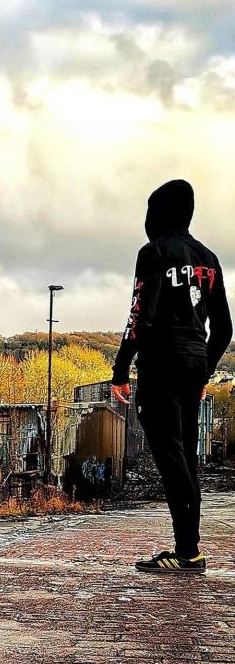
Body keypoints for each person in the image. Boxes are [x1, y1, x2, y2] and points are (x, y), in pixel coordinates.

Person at [111, 179, 232, 574]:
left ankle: (188, 551)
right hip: (195, 362)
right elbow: (225, 329)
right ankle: (189, 549)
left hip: (161, 364)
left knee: (171, 457)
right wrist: (204, 367)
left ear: (156, 213)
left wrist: (120, 370)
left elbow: (139, 319)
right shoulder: (209, 258)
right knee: (187, 458)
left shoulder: (153, 253)